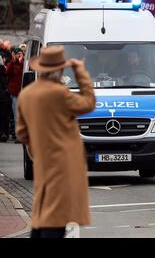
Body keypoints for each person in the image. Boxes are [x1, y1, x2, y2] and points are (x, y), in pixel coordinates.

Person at [16, 45, 96, 238]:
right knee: (57, 217)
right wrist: (81, 73)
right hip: (64, 164)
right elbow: (88, 103)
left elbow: (21, 133)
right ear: (60, 69)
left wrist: (38, 144)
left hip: (43, 160)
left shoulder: (26, 94)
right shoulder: (59, 93)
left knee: (42, 212)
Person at [5, 47, 24, 142]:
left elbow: (24, 73)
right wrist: (13, 61)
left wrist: (21, 61)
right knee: (16, 115)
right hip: (15, 93)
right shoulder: (12, 63)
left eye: (20, 53)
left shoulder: (23, 62)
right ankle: (18, 136)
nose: (19, 55)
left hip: (24, 92)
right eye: (17, 54)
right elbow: (7, 72)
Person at [0, 55, 10, 142]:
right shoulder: (5, 70)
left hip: (3, 96)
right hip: (4, 96)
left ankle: (2, 133)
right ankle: (4, 133)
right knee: (4, 116)